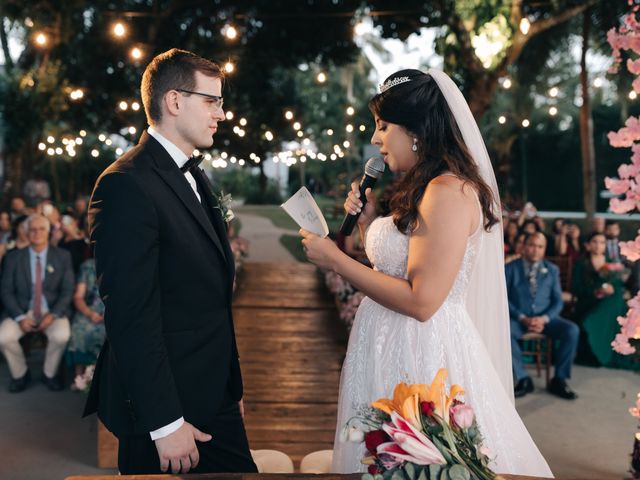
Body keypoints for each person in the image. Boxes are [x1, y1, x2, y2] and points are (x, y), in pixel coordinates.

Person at [300, 69, 552, 477]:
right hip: (384, 342)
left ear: (416, 129)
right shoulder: (424, 186)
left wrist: (336, 261)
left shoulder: (448, 191)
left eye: (383, 127)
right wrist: (366, 223)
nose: (376, 139)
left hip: (421, 352)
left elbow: (422, 300)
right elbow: (398, 267)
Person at [82, 49, 257, 475]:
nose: (222, 113)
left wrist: (228, 386)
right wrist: (165, 424)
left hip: (211, 392)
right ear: (174, 101)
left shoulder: (193, 172)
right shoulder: (125, 185)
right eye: (211, 101)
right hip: (164, 407)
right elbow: (130, 316)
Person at [0, 214, 74, 392]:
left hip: (52, 311)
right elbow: (6, 291)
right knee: (3, 337)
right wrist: (19, 317)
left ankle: (49, 373)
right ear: (26, 232)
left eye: (41, 229)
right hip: (23, 310)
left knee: (61, 336)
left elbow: (67, 291)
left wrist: (53, 314)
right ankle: (20, 374)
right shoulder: (13, 257)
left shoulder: (63, 256)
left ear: (48, 232)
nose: (37, 233)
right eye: (32, 229)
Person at [505, 232, 580, 399]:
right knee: (504, 331)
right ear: (524, 246)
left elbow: (558, 302)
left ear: (545, 249)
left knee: (572, 330)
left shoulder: (552, 270)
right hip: (518, 319)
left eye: (540, 246)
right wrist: (522, 317)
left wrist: (544, 318)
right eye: (532, 245)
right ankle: (523, 379)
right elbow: (503, 298)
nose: (535, 250)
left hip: (546, 320)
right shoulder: (510, 268)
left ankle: (559, 380)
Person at [572, 232, 632, 368]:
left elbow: (618, 285)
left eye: (602, 242)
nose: (598, 245)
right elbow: (576, 288)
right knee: (593, 316)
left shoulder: (612, 264)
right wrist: (596, 291)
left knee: (615, 301)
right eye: (595, 241)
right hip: (589, 301)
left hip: (610, 300)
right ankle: (595, 354)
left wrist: (611, 289)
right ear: (587, 245)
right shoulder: (581, 263)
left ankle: (608, 353)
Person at [66, 256, 105, 379]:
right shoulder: (88, 266)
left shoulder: (122, 264)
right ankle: (80, 377)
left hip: (113, 311)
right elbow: (78, 297)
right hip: (88, 310)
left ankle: (104, 377)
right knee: (79, 328)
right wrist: (89, 313)